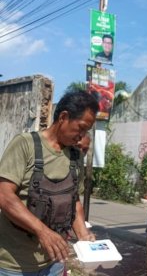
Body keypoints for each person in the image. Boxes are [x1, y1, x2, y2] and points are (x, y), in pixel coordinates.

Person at [0, 91, 98, 275]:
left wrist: (83, 235)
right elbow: (4, 196)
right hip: (13, 265)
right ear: (63, 117)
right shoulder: (25, 145)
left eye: (86, 131)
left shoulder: (75, 156)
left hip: (54, 263)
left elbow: (73, 200)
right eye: (81, 128)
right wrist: (42, 231)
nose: (82, 136)